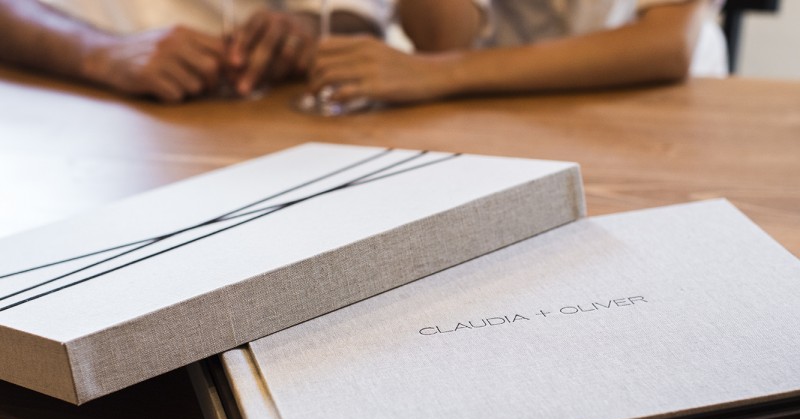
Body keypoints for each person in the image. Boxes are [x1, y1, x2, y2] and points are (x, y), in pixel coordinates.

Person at [310, 0, 728, 106]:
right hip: (503, 106)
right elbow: (442, 39)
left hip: (656, 105)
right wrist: (442, 66)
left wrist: (444, 72)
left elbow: (666, 45)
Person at [0, 0, 386, 102]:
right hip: (64, 103)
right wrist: (102, 52)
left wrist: (303, 28)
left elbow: (356, 13)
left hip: (249, 111)